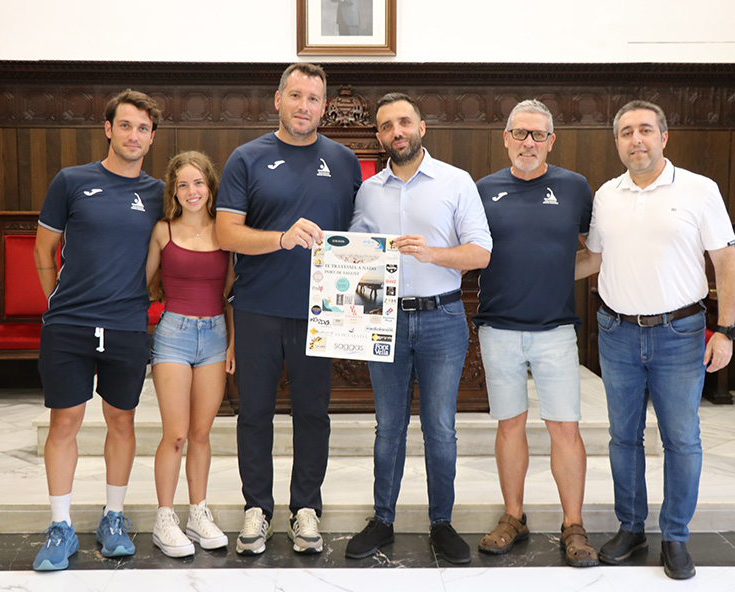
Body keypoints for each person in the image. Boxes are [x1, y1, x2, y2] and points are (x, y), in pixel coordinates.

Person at [576, 100, 735, 580]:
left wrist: (726, 332)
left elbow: (725, 264)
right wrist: (536, 277)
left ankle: (676, 537)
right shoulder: (606, 195)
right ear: (618, 143)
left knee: (682, 439)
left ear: (664, 136)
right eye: (626, 132)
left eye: (645, 130)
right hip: (616, 332)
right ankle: (631, 529)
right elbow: (593, 260)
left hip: (680, 333)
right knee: (623, 438)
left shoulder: (698, 190)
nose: (636, 140)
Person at [216, 63, 361, 556]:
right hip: (257, 308)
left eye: (314, 99)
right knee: (253, 412)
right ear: (277, 99)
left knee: (312, 414)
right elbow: (225, 233)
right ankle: (257, 507)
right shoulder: (246, 158)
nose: (304, 106)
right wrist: (280, 238)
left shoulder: (343, 161)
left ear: (325, 106)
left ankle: (306, 509)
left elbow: (358, 237)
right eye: (295, 96)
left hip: (322, 311)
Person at [344, 93, 492, 565]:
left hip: (442, 318)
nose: (396, 132)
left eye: (404, 122)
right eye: (386, 126)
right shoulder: (369, 191)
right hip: (383, 316)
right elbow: (354, 256)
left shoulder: (456, 181)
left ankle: (441, 523)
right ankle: (383, 520)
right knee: (388, 427)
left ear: (422, 127)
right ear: (380, 136)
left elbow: (481, 252)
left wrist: (433, 254)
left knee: (440, 428)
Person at [32, 89, 164, 571]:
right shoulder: (71, 181)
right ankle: (61, 526)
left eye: (143, 128)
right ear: (108, 128)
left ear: (152, 138)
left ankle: (113, 518)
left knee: (121, 422)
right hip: (68, 324)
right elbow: (44, 251)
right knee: (64, 423)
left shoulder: (156, 193)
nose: (134, 135)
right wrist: (56, 303)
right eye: (125, 125)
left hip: (127, 325)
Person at [473, 100, 598, 567]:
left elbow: (594, 253)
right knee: (510, 425)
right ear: (505, 137)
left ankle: (573, 524)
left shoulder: (574, 187)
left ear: (551, 140)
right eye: (520, 134)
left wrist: (553, 276)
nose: (528, 143)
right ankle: (513, 517)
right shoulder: (482, 190)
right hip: (499, 327)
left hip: (555, 330)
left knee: (565, 427)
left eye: (537, 135)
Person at [145, 151, 234, 558]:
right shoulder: (163, 230)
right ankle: (165, 517)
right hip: (174, 333)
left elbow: (231, 293)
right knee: (176, 434)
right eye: (183, 184)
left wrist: (232, 342)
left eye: (198, 182)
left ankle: (198, 512)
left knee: (200, 434)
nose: (191, 191)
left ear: (210, 186)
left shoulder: (226, 232)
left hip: (215, 334)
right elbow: (146, 283)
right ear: (173, 190)